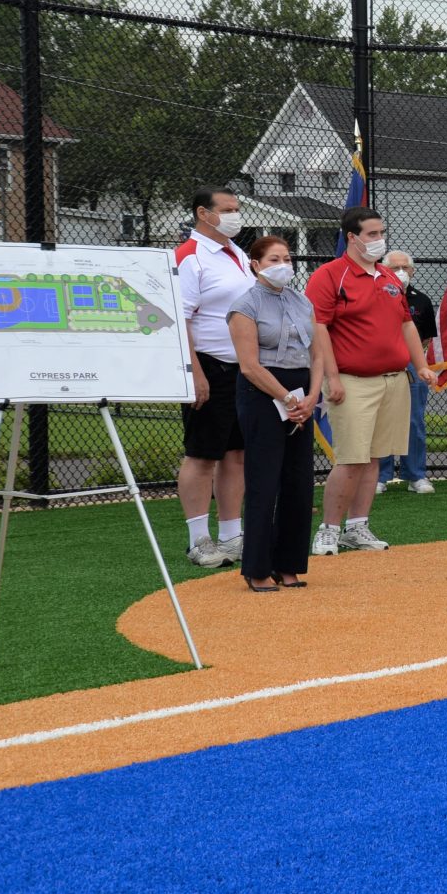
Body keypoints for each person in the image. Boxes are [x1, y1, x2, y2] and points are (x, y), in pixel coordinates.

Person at [307, 206, 436, 556]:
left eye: (381, 233)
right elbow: (318, 328)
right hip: (352, 381)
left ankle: (358, 527)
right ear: (352, 237)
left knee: (376, 458)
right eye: (372, 234)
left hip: (394, 380)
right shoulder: (330, 276)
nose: (380, 240)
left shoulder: (390, 278)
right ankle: (328, 530)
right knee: (350, 459)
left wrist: (421, 366)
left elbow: (407, 324)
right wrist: (332, 378)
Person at [226, 235, 326, 592]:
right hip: (264, 394)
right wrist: (287, 399)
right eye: (273, 259)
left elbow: (316, 355)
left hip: (301, 395)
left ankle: (289, 564)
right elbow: (250, 366)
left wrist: (312, 396)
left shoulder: (302, 302)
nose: (282, 264)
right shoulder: (244, 306)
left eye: (286, 257)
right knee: (264, 481)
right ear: (255, 264)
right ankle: (257, 567)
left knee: (298, 482)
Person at [172, 186, 254, 568]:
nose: (236, 215)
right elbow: (180, 318)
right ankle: (198, 540)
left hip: (243, 370)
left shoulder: (235, 253)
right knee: (202, 455)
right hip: (210, 367)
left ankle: (232, 535)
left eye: (237, 208)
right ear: (203, 214)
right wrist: (196, 373)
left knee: (235, 455)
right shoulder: (189, 257)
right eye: (228, 209)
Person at [377, 249, 439, 496]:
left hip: (413, 365)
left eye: (406, 268)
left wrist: (412, 358)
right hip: (381, 364)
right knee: (381, 420)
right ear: (384, 269)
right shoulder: (376, 295)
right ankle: (381, 474)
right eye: (395, 268)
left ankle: (416, 474)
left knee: (414, 420)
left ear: (413, 271)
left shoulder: (421, 301)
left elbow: (424, 338)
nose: (401, 272)